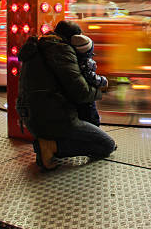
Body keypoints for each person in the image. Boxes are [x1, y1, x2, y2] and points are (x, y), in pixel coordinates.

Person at [16, 21, 116, 171]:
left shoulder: (39, 46)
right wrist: (101, 90)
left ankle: (48, 146)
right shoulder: (61, 50)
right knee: (106, 145)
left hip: (31, 117)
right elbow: (81, 92)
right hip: (53, 118)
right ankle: (50, 146)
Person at [70, 34, 108, 127]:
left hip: (78, 102)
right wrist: (103, 80)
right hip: (87, 102)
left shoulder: (74, 61)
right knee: (92, 118)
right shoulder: (86, 63)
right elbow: (91, 77)